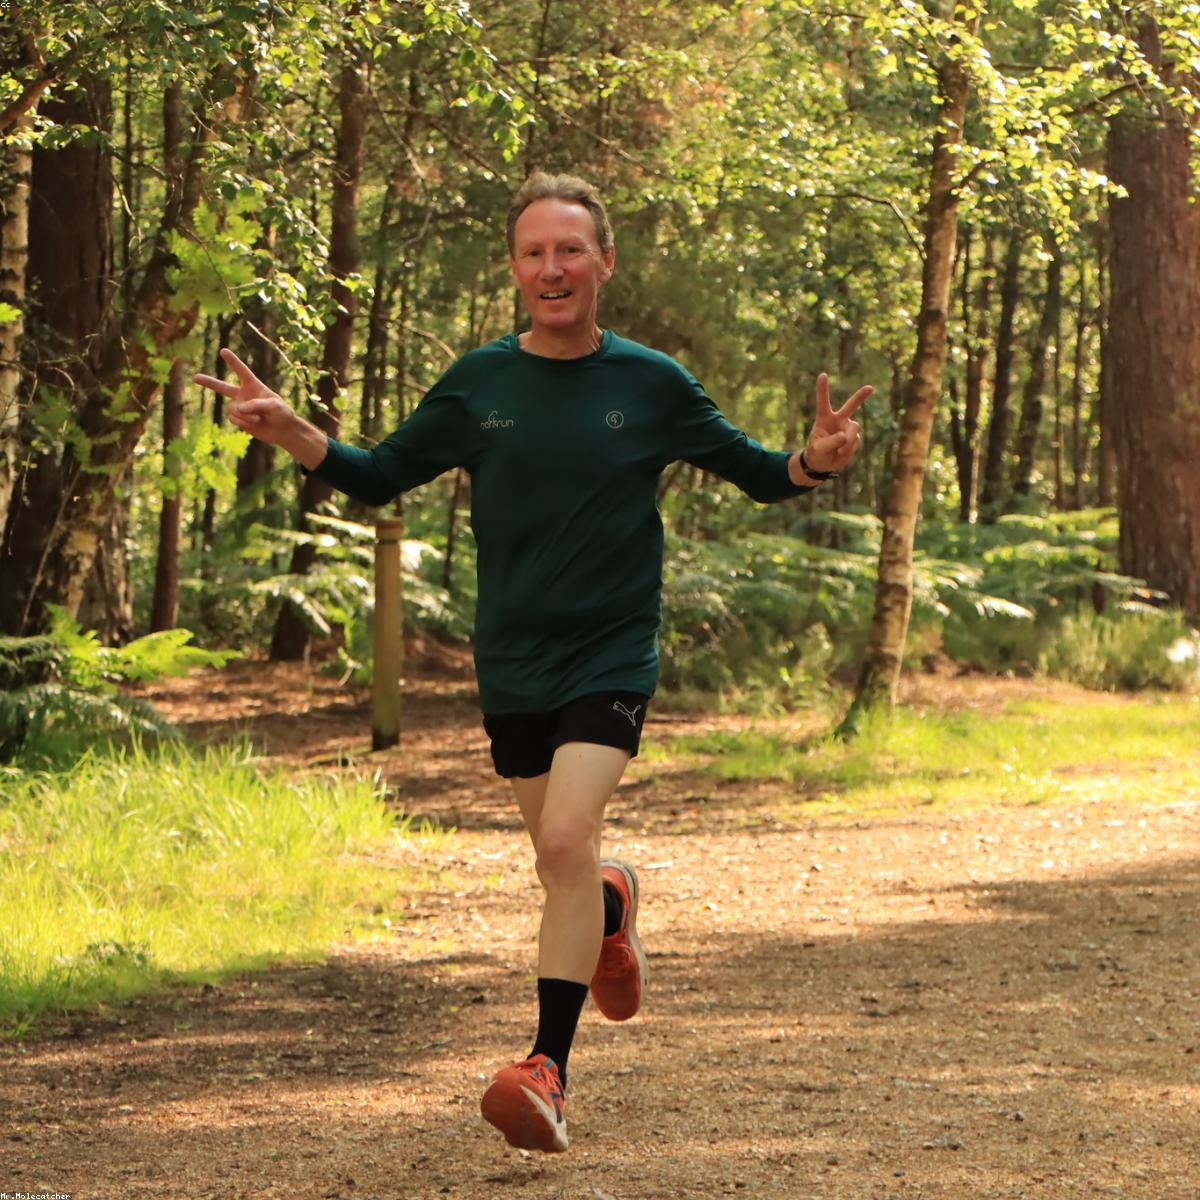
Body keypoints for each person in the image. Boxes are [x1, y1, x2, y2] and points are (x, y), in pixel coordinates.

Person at [194, 171, 870, 1155]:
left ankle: (546, 1067)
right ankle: (609, 904)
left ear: (603, 263)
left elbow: (762, 476)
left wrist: (814, 460)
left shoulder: (651, 384)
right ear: (515, 269)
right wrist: (291, 428)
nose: (551, 268)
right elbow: (380, 473)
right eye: (533, 252)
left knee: (561, 839)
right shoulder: (481, 385)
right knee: (564, 862)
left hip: (612, 651)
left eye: (569, 250)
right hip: (512, 659)